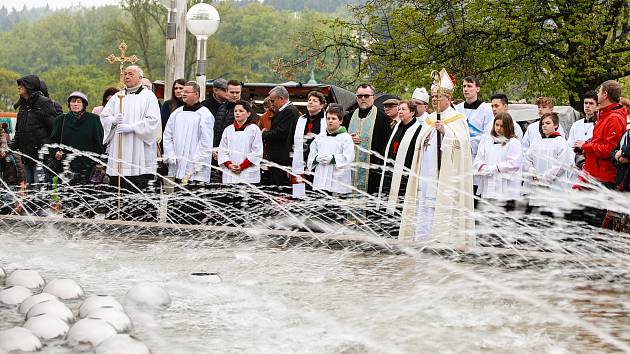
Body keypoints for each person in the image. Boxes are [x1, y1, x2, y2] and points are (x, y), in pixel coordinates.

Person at [398, 69, 474, 245]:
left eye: (437, 97)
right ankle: (422, 239)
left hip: (445, 174)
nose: (434, 100)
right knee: (424, 204)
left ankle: (443, 241)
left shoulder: (457, 118)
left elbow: (462, 144)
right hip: (426, 172)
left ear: (448, 99)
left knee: (442, 204)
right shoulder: (429, 119)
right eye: (432, 97)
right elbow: (421, 142)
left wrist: (445, 132)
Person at [100, 65, 161, 221]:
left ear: (140, 78)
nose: (126, 76)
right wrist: (113, 120)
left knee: (139, 184)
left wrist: (132, 128)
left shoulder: (148, 96)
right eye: (125, 74)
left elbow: (153, 121)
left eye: (131, 74)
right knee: (118, 184)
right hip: (119, 146)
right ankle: (117, 216)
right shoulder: (117, 97)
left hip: (138, 147)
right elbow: (104, 116)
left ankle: (141, 218)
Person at [162, 81, 214, 225]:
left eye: (187, 91)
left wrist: (195, 164)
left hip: (195, 168)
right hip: (178, 164)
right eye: (182, 91)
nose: (182, 93)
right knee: (176, 201)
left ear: (196, 94)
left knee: (193, 203)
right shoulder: (177, 113)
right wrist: (171, 154)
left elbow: (206, 142)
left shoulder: (204, 114)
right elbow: (168, 135)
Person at [47, 91, 105, 217]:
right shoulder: (61, 120)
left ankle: (87, 227)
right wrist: (55, 152)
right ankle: (69, 227)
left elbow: (100, 143)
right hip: (67, 166)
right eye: (73, 101)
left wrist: (100, 163)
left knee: (87, 200)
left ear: (84, 104)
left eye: (79, 101)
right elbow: (52, 141)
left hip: (88, 166)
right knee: (68, 200)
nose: (75, 104)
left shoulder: (94, 120)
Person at [11, 74, 58, 186]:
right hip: (27, 157)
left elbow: (55, 129)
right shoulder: (23, 107)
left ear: (29, 86)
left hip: (41, 157)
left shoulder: (44, 103)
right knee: (31, 192)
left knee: (39, 190)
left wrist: (52, 151)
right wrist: (8, 149)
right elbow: (19, 133)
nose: (18, 87)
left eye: (21, 85)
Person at [345, 83, 391, 195]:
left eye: (366, 96)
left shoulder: (383, 119)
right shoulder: (348, 117)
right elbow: (339, 141)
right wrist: (348, 140)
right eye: (360, 96)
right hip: (350, 170)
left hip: (373, 171)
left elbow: (386, 147)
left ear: (373, 97)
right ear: (356, 98)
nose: (363, 99)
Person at [523, 112, 570, 216]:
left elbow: (561, 165)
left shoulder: (561, 142)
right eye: (543, 123)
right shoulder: (536, 142)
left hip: (555, 187)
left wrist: (544, 178)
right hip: (537, 188)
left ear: (556, 125)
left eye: (548, 123)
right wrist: (533, 172)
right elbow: (526, 159)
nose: (544, 125)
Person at [472, 112, 522, 209]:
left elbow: (513, 164)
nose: (498, 128)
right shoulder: (488, 142)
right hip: (488, 185)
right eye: (497, 125)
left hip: (506, 187)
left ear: (508, 127)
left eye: (502, 126)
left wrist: (493, 169)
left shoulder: (513, 143)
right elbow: (478, 160)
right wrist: (484, 168)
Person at [378, 100, 423, 203]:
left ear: (412, 112)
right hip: (391, 166)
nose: (400, 111)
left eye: (403, 109)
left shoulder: (418, 130)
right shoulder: (396, 126)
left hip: (405, 169)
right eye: (399, 109)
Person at [307, 103, 354, 196]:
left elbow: (349, 157)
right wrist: (316, 158)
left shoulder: (345, 137)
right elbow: (312, 153)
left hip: (337, 180)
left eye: (333, 118)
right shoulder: (320, 137)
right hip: (321, 177)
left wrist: (333, 159)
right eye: (328, 118)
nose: (330, 121)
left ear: (340, 121)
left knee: (335, 208)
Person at [287, 91, 327, 198]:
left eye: (315, 101)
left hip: (319, 160)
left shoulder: (326, 120)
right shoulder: (301, 120)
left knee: (318, 192)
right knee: (302, 192)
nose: (311, 102)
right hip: (302, 160)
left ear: (322, 105)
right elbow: (292, 140)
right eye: (309, 100)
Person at [262, 85, 299, 190]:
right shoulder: (285, 111)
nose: (271, 104)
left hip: (282, 158)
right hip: (278, 158)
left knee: (282, 189)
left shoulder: (289, 111)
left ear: (281, 99)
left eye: (272, 101)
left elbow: (281, 133)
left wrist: (263, 134)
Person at [218, 100, 263, 184]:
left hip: (248, 172)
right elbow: (222, 151)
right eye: (235, 111)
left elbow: (257, 152)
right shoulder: (228, 129)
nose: (237, 113)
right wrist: (229, 165)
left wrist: (242, 166)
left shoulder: (254, 129)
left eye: (241, 111)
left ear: (248, 114)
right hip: (230, 172)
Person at [567, 91, 597, 171]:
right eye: (585, 103)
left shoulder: (599, 124)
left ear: (597, 106)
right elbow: (569, 146)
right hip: (576, 165)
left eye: (591, 103)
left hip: (593, 165)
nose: (587, 106)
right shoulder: (576, 125)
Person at [0, 123, 25, 215]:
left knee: (9, 193)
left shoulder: (13, 155)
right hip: (8, 179)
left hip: (12, 181)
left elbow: (21, 177)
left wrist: (20, 202)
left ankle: (8, 209)